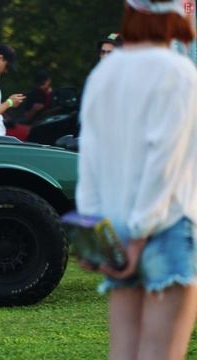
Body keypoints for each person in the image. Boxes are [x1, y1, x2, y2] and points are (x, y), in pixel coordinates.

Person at [76, 1, 197, 359]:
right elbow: (164, 161)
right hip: (167, 226)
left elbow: (91, 159)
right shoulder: (180, 72)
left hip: (116, 230)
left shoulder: (103, 74)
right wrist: (142, 233)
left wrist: (93, 237)